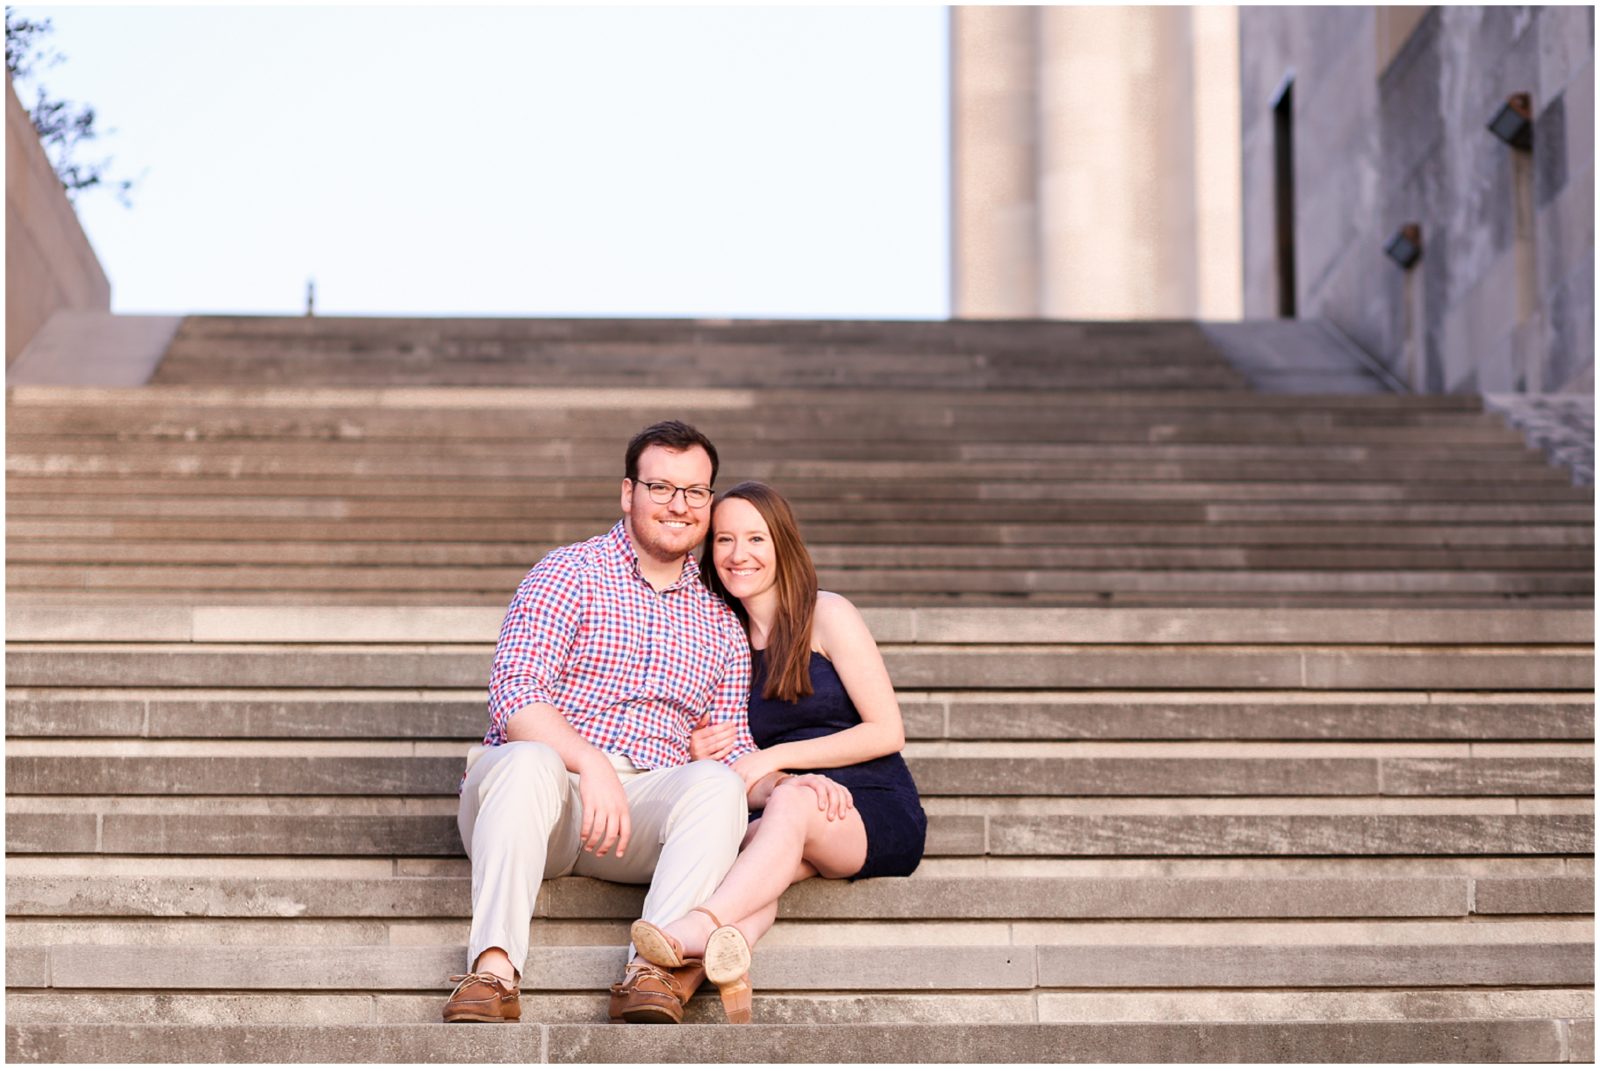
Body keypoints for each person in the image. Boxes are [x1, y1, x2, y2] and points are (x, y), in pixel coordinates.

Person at [445, 420, 782, 1026]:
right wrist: (590, 762)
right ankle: (492, 972)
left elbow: (736, 750)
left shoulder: (720, 622)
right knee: (530, 760)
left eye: (695, 492)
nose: (678, 506)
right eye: (661, 487)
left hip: (639, 812)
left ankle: (650, 970)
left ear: (708, 502)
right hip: (539, 801)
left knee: (717, 785)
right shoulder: (567, 574)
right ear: (628, 493)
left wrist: (790, 786)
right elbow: (516, 697)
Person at [627, 480, 927, 1023]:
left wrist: (773, 759)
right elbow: (716, 741)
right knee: (749, 841)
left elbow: (888, 731)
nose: (739, 555)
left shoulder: (826, 614)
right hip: (792, 803)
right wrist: (696, 747)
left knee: (788, 805)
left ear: (782, 544)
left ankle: (696, 924)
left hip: (870, 804)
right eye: (723, 541)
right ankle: (706, 961)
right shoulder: (721, 635)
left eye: (756, 539)